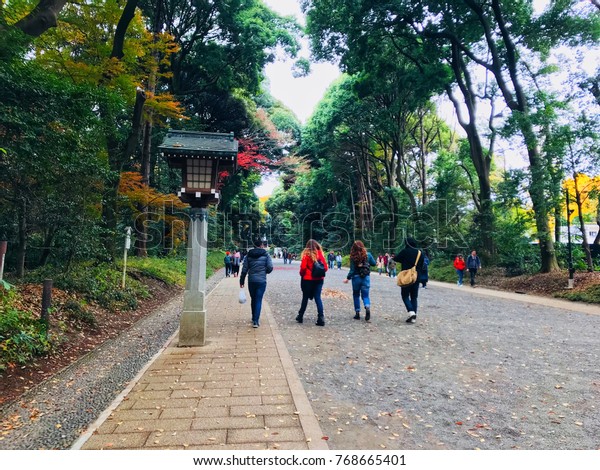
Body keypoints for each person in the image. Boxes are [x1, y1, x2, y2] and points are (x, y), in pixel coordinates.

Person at [239, 238, 273, 328]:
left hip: (251, 280)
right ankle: (256, 321)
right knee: (258, 300)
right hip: (261, 281)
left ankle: (254, 317)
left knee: (253, 299)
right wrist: (264, 271)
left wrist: (241, 281)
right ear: (261, 245)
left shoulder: (248, 255)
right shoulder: (266, 255)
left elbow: (244, 269)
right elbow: (270, 267)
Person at [296, 239, 328, 326]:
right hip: (319, 279)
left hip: (308, 280)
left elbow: (303, 268)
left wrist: (302, 274)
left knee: (305, 298)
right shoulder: (320, 254)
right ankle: (321, 317)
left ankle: (300, 316)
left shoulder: (306, 254)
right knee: (318, 297)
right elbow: (325, 267)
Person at [343, 240, 377, 322]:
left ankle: (357, 313)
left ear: (353, 248)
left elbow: (352, 270)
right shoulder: (367, 255)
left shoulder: (353, 257)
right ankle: (367, 306)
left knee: (356, 295)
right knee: (365, 296)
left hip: (356, 278)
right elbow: (374, 263)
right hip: (366, 277)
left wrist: (347, 278)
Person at [393, 237, 424, 324]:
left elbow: (396, 259)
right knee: (414, 297)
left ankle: (411, 312)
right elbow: (422, 265)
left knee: (405, 295)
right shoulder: (420, 253)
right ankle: (413, 317)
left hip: (406, 277)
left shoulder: (405, 251)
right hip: (416, 277)